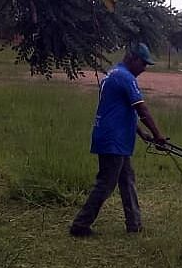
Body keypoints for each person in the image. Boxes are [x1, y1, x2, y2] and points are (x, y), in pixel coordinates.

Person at [70, 43, 166, 237]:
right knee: (106, 183)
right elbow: (141, 109)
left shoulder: (114, 73)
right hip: (113, 140)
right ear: (132, 58)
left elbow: (121, 110)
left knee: (127, 179)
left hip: (115, 137)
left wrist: (141, 133)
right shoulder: (125, 77)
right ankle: (80, 225)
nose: (144, 68)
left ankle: (134, 225)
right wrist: (158, 135)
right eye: (143, 63)